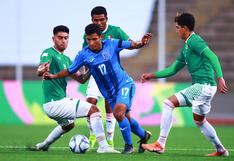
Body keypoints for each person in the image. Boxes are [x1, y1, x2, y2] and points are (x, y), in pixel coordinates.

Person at [43, 23, 152, 154]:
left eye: (94, 39)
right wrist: (54, 75)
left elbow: (132, 45)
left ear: (100, 37)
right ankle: (143, 135)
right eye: (88, 39)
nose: (91, 42)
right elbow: (70, 70)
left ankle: (128, 146)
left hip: (124, 84)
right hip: (109, 93)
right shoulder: (84, 54)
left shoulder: (111, 43)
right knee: (126, 118)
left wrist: (142, 43)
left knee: (118, 114)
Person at [141, 13, 229, 157]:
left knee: (168, 103)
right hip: (207, 88)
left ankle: (160, 144)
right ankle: (221, 150)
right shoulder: (186, 47)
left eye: (178, 27)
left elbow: (213, 56)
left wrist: (220, 77)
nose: (176, 30)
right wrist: (153, 75)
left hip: (202, 86)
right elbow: (173, 69)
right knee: (199, 121)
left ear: (185, 28)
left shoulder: (194, 40)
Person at [31, 25, 119, 153]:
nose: (63, 41)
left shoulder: (67, 59)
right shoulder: (48, 53)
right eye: (60, 37)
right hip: (54, 103)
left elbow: (81, 79)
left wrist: (92, 67)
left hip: (57, 103)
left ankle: (44, 144)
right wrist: (41, 70)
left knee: (68, 125)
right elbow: (40, 70)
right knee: (94, 110)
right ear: (53, 39)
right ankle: (104, 146)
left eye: (66, 38)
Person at [83, 6, 132, 148]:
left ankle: (110, 138)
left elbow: (129, 43)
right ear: (92, 20)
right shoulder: (87, 34)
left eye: (101, 19)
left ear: (106, 19)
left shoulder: (115, 31)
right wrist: (87, 72)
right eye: (95, 20)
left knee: (109, 105)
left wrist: (136, 43)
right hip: (95, 73)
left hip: (111, 75)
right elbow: (84, 55)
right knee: (90, 102)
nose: (99, 22)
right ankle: (93, 134)